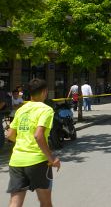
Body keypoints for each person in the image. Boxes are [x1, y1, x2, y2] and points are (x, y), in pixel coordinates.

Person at [7, 78, 61, 207]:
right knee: (45, 202)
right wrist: (52, 158)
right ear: (44, 92)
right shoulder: (46, 109)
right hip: (38, 161)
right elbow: (38, 135)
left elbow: (10, 135)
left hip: (16, 161)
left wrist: (23, 141)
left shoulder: (21, 109)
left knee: (15, 202)